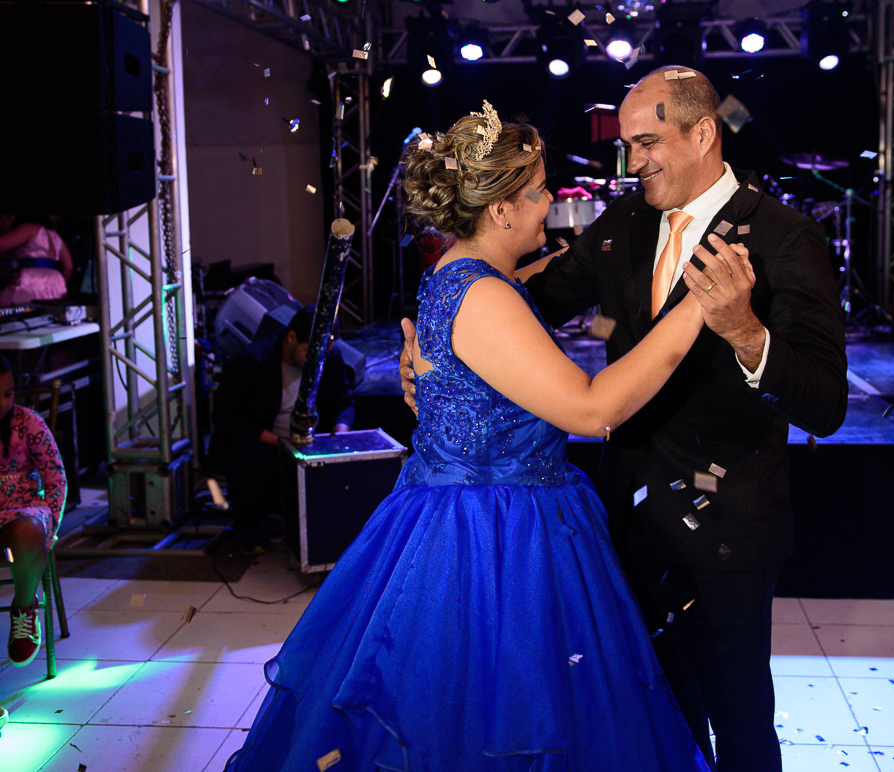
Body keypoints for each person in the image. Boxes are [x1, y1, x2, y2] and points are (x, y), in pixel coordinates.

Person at [224, 103, 713, 771]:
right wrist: (696, 311)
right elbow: (593, 411)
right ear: (503, 208)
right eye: (540, 192)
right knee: (489, 707)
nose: (550, 206)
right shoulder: (483, 295)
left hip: (467, 512)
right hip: (495, 535)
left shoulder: (457, 275)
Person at [400, 66, 849, 772]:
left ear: (703, 133)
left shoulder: (785, 238)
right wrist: (435, 352)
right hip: (619, 524)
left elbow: (826, 404)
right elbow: (521, 299)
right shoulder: (624, 224)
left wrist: (746, 335)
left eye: (646, 143)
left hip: (728, 529)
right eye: (627, 145)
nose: (631, 162)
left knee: (739, 722)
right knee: (646, 716)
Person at [209, 305, 354, 555]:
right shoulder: (251, 360)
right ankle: (251, 527)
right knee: (248, 460)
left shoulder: (329, 358)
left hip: (313, 442)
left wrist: (340, 431)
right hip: (267, 443)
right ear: (291, 338)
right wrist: (280, 443)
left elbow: (345, 401)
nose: (317, 361)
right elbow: (228, 418)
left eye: (323, 354)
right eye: (311, 352)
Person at [0, 353, 68, 669]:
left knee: (28, 531)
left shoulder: (28, 423)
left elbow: (55, 477)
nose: (3, 402)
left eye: (9, 393)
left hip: (24, 511)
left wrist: (50, 527)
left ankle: (25, 607)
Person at [0, 214, 73, 306]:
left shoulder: (29, 229)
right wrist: (58, 283)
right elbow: (69, 266)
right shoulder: (54, 235)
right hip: (55, 282)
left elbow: (2, 244)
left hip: (32, 279)